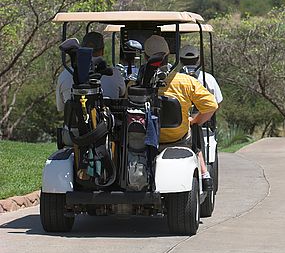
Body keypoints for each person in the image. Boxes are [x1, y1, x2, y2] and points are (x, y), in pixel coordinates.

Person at [144, 35, 218, 189]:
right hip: (177, 137)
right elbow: (212, 105)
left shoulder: (134, 83)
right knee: (194, 130)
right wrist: (196, 120)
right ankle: (205, 175)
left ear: (145, 57)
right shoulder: (186, 81)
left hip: (144, 138)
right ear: (168, 55)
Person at [56, 31, 126, 112]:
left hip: (74, 122)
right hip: (109, 121)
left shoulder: (64, 75)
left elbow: (60, 108)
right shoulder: (115, 73)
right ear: (102, 51)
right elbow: (122, 93)